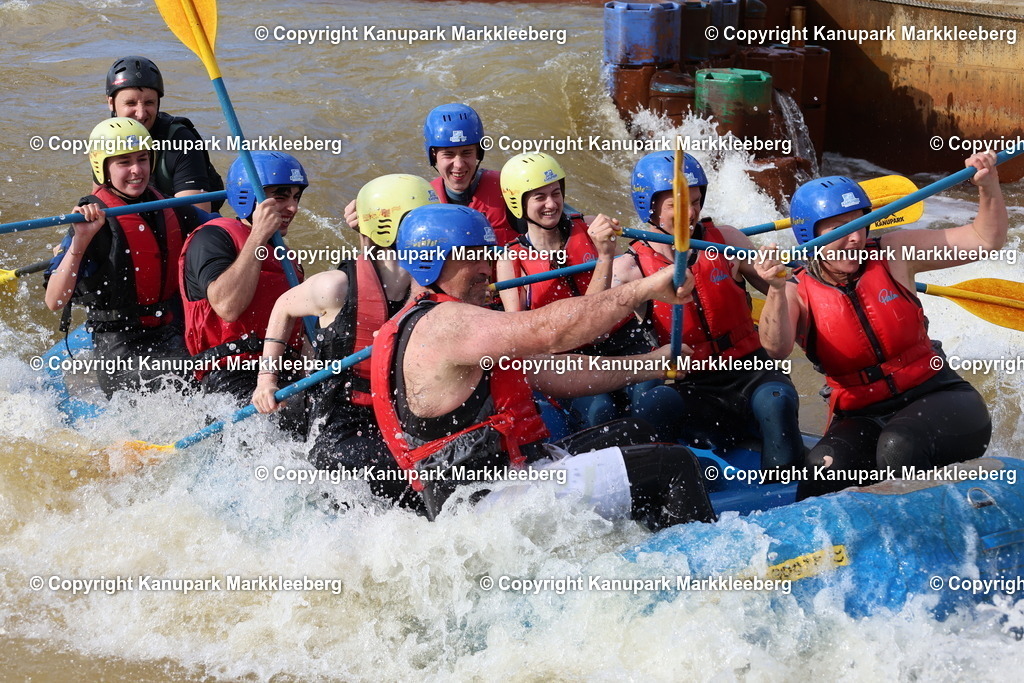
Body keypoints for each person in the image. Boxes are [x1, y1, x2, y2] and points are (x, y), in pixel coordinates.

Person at [370, 203, 716, 526]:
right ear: (428, 260)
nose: (486, 268)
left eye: (487, 255)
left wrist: (651, 365)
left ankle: (637, 536)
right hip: (487, 508)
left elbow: (556, 372)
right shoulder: (444, 324)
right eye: (472, 256)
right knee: (675, 465)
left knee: (635, 431)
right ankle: (699, 564)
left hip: (505, 479)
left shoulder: (447, 324)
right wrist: (641, 290)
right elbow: (550, 331)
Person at [755, 151, 1006, 499]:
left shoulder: (895, 252)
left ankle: (929, 527)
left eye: (860, 224)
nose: (855, 238)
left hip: (940, 398)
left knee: (898, 447)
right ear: (809, 236)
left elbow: (984, 240)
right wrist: (775, 289)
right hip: (862, 415)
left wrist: (988, 186)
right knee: (819, 473)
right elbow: (775, 347)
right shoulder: (794, 289)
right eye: (840, 229)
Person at [252, 174, 437, 507]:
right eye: (425, 223)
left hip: (396, 418)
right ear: (391, 228)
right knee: (418, 491)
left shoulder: (430, 281)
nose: (435, 233)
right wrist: (266, 380)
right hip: (340, 426)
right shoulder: (336, 286)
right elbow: (283, 307)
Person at [612, 152, 803, 470]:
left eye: (696, 201)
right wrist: (604, 255)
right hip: (694, 386)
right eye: (677, 204)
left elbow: (792, 291)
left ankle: (788, 483)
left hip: (752, 372)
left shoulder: (727, 240)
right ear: (649, 207)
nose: (690, 213)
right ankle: (666, 483)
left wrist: (780, 276)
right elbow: (588, 322)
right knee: (655, 403)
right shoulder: (630, 268)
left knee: (777, 400)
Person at [44, 118, 209, 396]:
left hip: (169, 331)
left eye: (142, 159)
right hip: (119, 348)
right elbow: (54, 301)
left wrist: (258, 225)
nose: (137, 170)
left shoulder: (166, 204)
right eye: (124, 162)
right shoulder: (90, 221)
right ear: (102, 167)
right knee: (191, 376)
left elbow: (219, 228)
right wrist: (80, 242)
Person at [179, 152, 307, 405]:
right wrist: (258, 235)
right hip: (229, 374)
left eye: (296, 197)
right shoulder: (212, 238)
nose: (292, 208)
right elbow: (228, 307)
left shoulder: (287, 258)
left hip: (280, 371)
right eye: (280, 197)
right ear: (247, 196)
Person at [105, 55, 223, 212]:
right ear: (111, 103)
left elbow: (197, 215)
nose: (141, 114)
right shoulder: (105, 138)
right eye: (130, 103)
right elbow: (102, 198)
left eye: (149, 102)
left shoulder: (182, 141)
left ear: (158, 103)